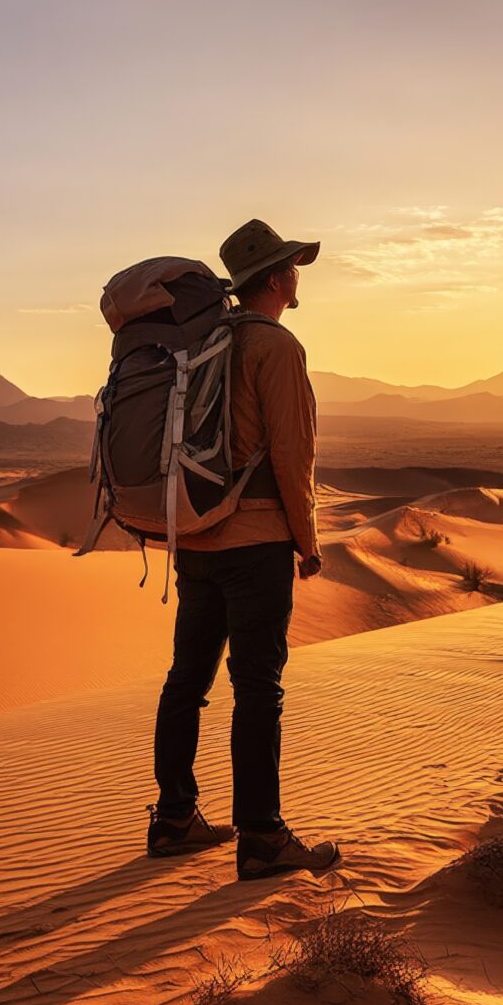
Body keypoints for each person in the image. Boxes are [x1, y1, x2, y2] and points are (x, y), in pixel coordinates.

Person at [144, 219, 342, 881]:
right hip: (256, 543)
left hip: (198, 538)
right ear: (278, 279)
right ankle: (262, 835)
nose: (297, 276)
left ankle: (174, 818)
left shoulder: (207, 341)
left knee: (187, 680)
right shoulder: (275, 346)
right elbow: (293, 453)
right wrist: (307, 542)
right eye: (293, 267)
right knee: (258, 688)